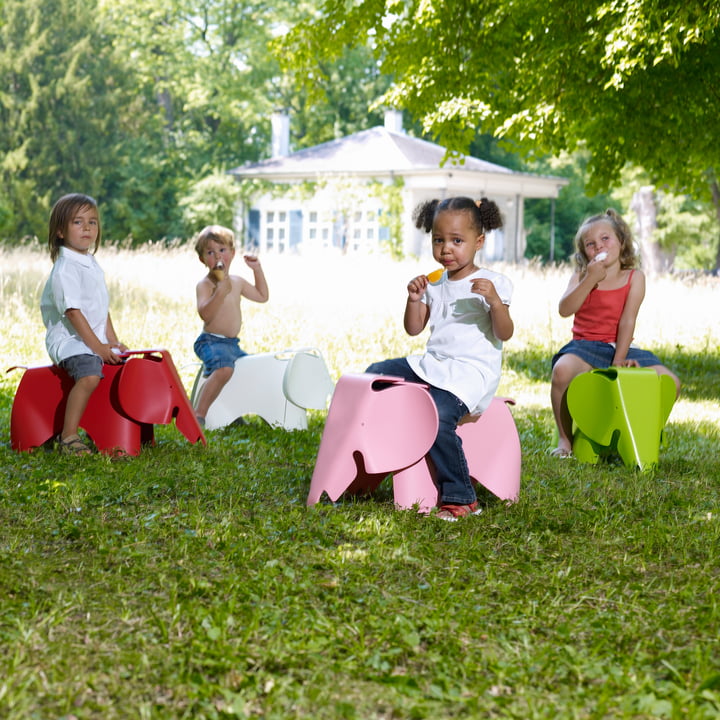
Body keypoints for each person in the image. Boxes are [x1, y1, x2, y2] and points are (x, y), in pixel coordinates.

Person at [366, 196, 514, 520]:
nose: (446, 248)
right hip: (432, 365)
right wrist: (414, 299)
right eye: (438, 240)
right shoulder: (434, 282)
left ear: (478, 242)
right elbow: (414, 329)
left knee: (436, 415)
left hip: (469, 375)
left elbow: (504, 333)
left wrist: (495, 303)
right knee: (373, 377)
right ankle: (372, 461)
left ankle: (461, 497)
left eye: (456, 241)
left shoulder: (494, 284)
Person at [550, 208, 681, 458]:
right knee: (562, 371)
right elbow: (564, 309)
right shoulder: (580, 276)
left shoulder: (635, 277)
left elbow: (627, 321)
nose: (598, 245)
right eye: (590, 244)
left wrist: (620, 359)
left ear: (621, 242)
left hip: (622, 346)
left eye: (605, 238)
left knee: (671, 382)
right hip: (584, 347)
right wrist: (590, 280)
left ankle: (643, 433)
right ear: (584, 252)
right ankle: (565, 440)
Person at [40, 193, 127, 455]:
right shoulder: (66, 267)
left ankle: (115, 425)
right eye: (78, 222)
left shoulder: (89, 262)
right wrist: (99, 348)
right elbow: (74, 313)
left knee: (123, 362)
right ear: (60, 231)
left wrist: (111, 340)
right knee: (89, 372)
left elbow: (101, 309)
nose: (87, 227)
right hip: (70, 341)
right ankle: (68, 437)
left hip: (90, 338)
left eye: (92, 222)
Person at [193, 225, 269, 426]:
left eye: (222, 250)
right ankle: (199, 414)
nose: (217, 256)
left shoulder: (237, 281)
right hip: (211, 341)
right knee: (224, 369)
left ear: (232, 254)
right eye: (210, 252)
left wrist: (257, 269)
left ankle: (236, 415)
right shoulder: (205, 284)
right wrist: (219, 292)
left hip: (232, 344)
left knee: (251, 371)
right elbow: (205, 315)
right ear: (202, 259)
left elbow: (262, 296)